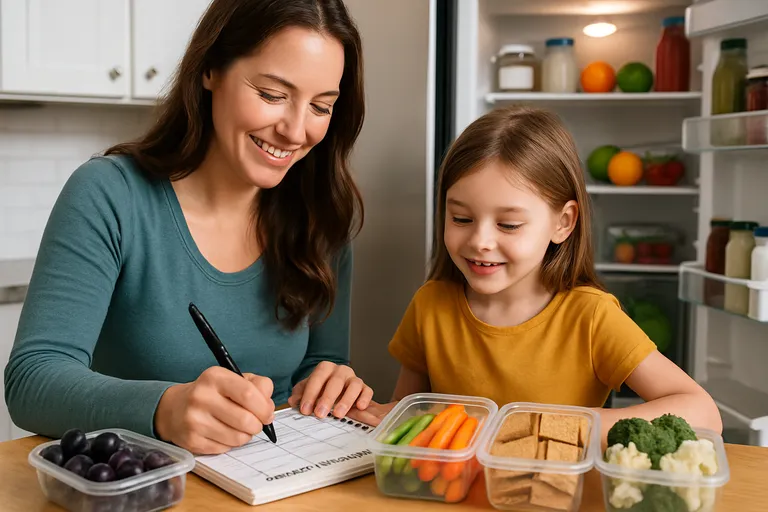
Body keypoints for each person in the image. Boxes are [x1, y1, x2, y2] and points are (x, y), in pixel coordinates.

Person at [4, 0, 375, 455]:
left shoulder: (323, 216)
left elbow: (321, 361)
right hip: (142, 484)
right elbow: (32, 380)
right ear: (211, 70)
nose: (296, 131)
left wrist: (332, 379)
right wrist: (164, 408)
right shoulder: (109, 194)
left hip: (278, 481)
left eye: (321, 106)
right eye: (272, 95)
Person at [383, 105, 722, 442]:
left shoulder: (590, 317)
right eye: (461, 219)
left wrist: (555, 425)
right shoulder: (430, 305)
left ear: (563, 223)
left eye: (508, 224)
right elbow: (406, 413)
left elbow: (703, 413)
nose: (480, 241)